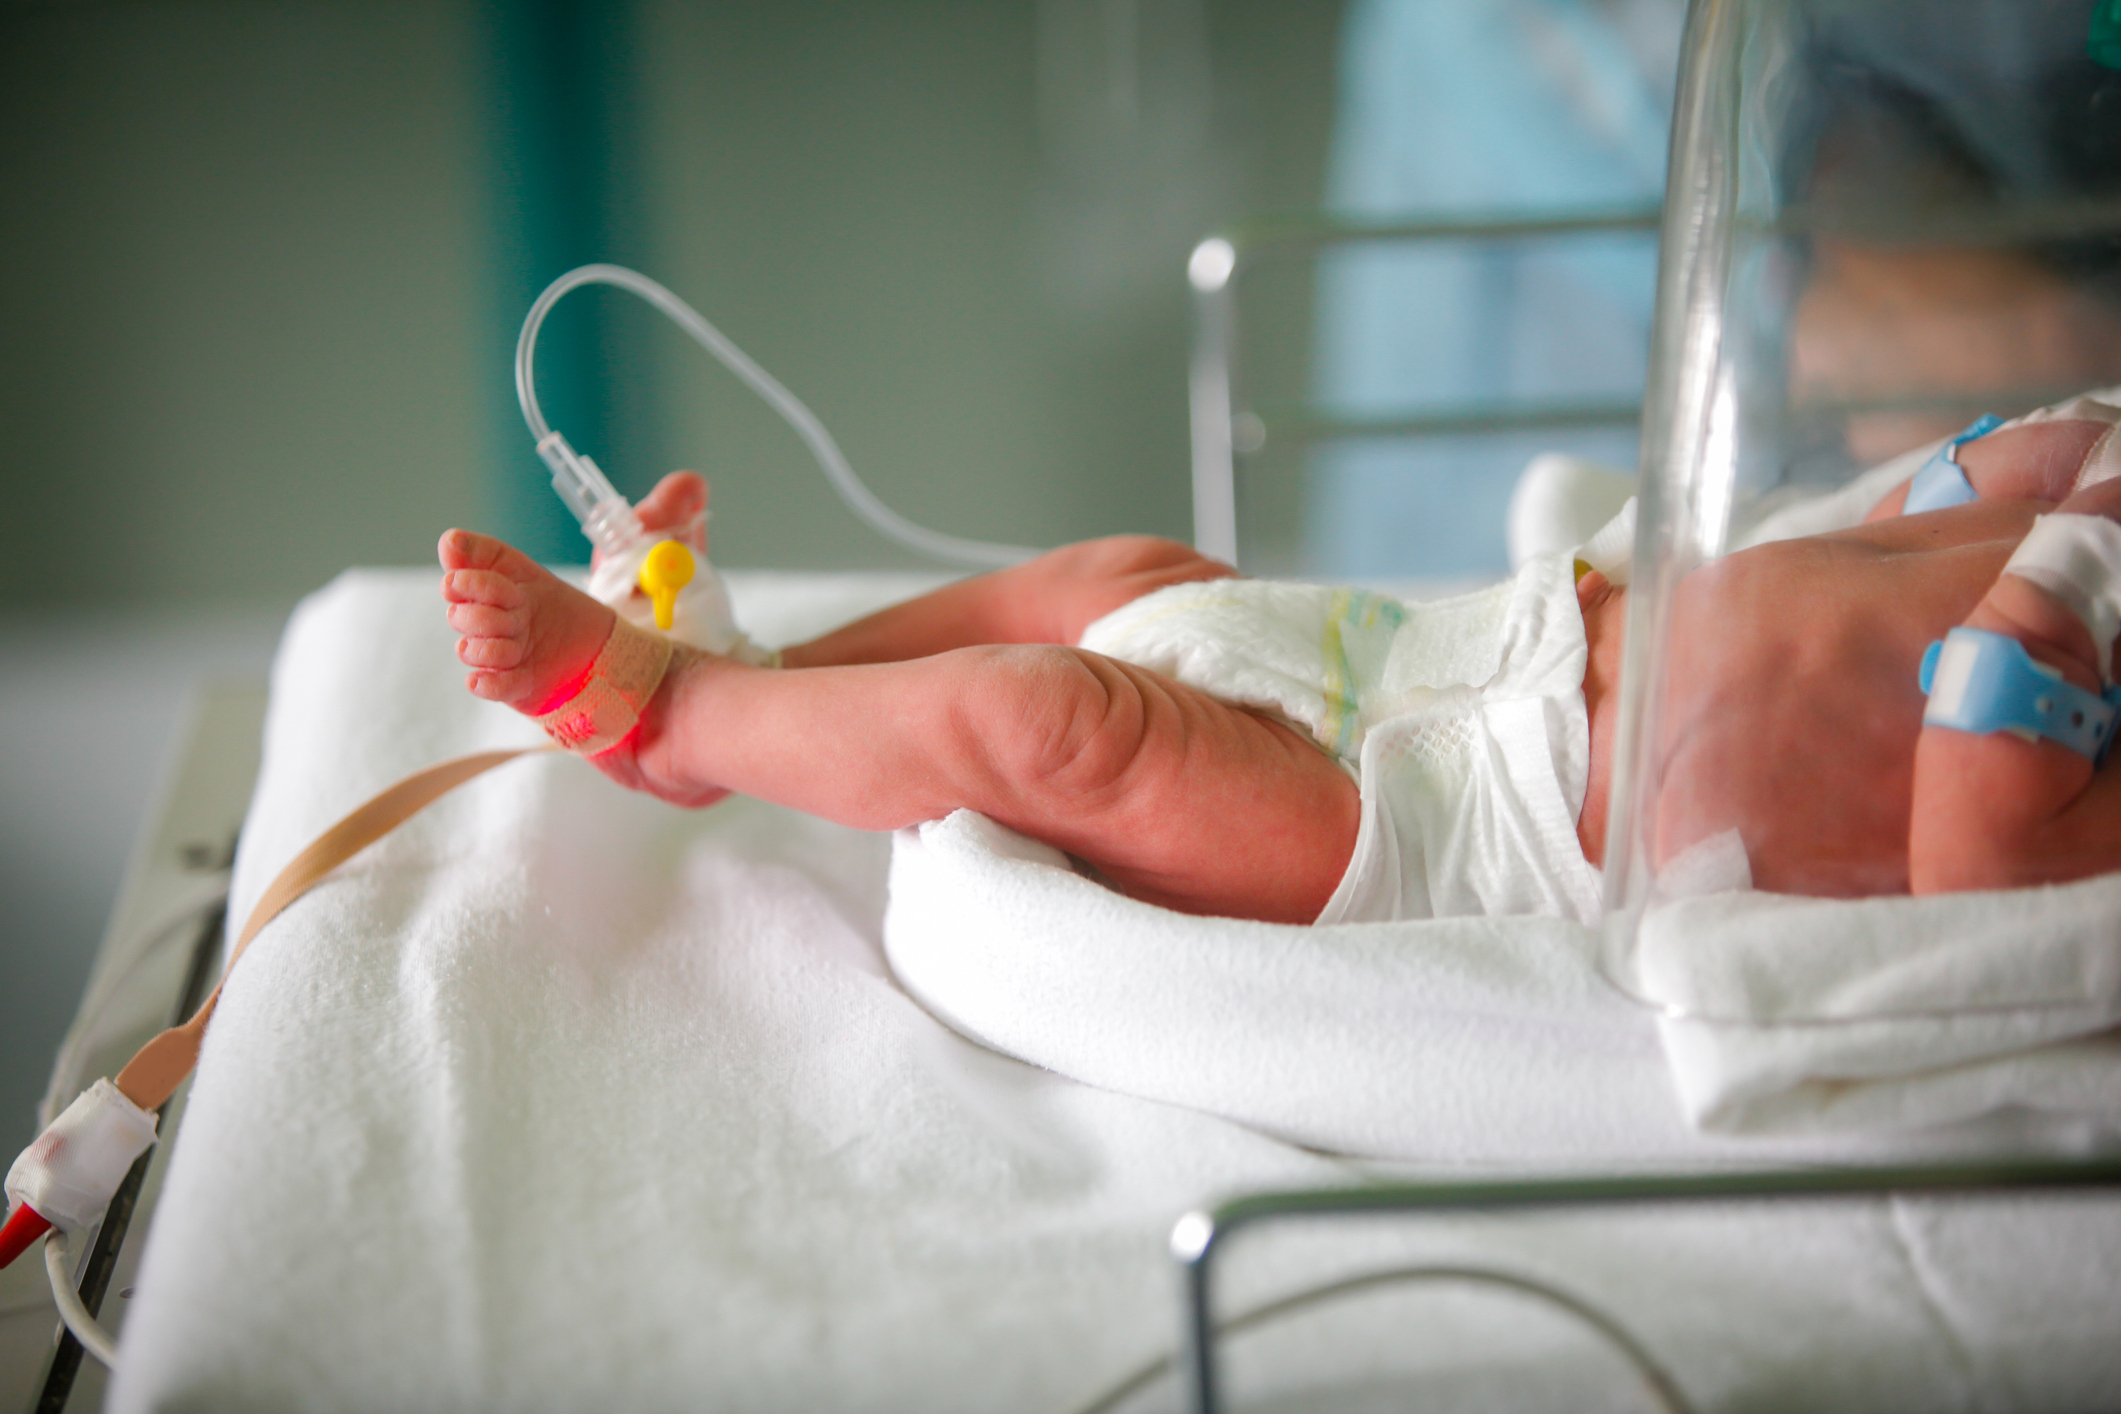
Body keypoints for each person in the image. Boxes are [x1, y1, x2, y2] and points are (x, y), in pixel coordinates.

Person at [438, 402, 2121, 925]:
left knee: (1058, 724)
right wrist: (2035, 464)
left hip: (1463, 830)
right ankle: (768, 666)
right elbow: (1916, 502)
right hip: (1472, 639)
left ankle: (681, 718)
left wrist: (2072, 561)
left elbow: (1982, 843)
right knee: (1111, 581)